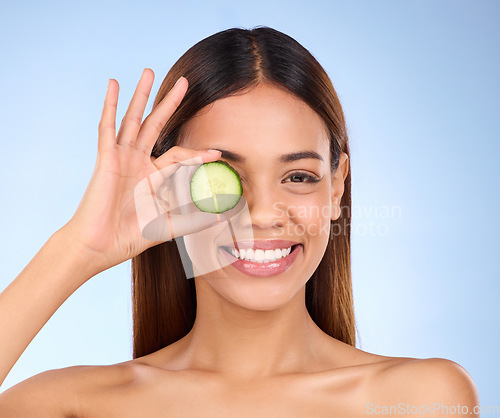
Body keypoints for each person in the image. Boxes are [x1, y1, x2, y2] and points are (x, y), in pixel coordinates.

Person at [0, 26, 479, 416]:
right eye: (222, 176)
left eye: (298, 176)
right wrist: (79, 248)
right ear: (170, 187)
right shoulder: (72, 406)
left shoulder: (420, 399)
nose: (264, 213)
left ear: (337, 187)